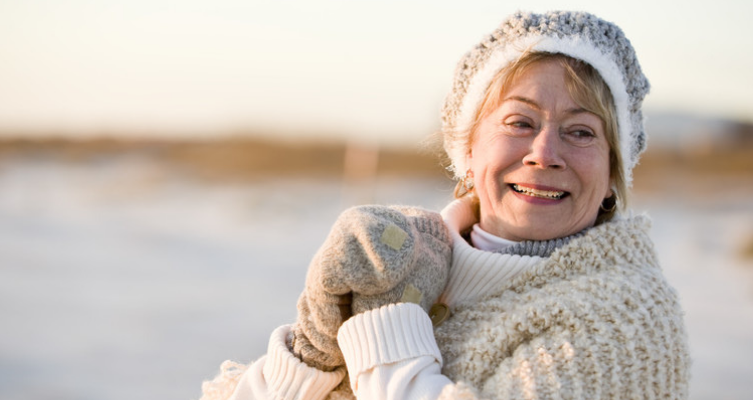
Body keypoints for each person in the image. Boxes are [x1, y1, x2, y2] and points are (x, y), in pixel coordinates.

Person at [201, 10, 690, 400]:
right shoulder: (403, 259)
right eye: (520, 122)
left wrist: (387, 326)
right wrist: (312, 349)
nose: (543, 153)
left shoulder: (627, 319)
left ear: (612, 176)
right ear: (469, 150)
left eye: (580, 132)